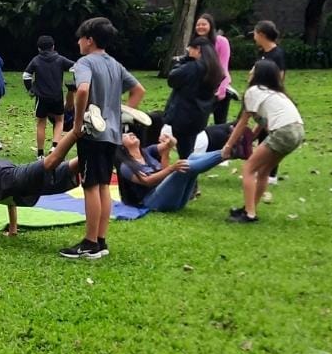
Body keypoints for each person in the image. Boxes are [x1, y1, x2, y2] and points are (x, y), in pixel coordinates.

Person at [60, 17, 145, 260]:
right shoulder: (115, 64)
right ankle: (100, 240)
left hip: (92, 134)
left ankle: (89, 243)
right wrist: (121, 114)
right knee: (104, 185)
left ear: (89, 40)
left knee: (90, 186)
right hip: (112, 134)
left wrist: (78, 124)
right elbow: (139, 90)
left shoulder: (84, 63)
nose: (78, 42)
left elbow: (82, 89)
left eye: (80, 38)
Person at [221, 60, 304, 223]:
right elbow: (263, 120)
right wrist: (251, 137)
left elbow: (242, 122)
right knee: (264, 170)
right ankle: (249, 208)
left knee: (248, 168)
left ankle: (249, 214)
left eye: (253, 70)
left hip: (283, 131)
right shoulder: (276, 93)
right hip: (297, 131)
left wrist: (228, 146)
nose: (249, 72)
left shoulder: (254, 91)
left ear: (259, 75)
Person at [0, 130, 81, 240]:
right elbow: (10, 201)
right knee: (63, 171)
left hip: (20, 180)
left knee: (52, 161)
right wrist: (12, 230)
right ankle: (88, 154)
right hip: (23, 189)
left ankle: (77, 130)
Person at [116, 130, 223, 212]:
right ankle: (224, 154)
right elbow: (147, 181)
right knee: (184, 167)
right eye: (125, 136)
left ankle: (224, 152)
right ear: (122, 147)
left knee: (192, 157)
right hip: (151, 202)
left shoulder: (148, 151)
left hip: (172, 199)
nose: (131, 134)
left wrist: (170, 142)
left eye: (130, 133)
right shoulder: (126, 167)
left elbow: (170, 144)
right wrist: (171, 168)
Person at [163, 36, 225, 158]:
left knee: (184, 152)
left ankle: (188, 169)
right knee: (189, 147)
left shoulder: (192, 67)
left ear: (198, 49)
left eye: (190, 49)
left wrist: (182, 61)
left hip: (183, 115)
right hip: (200, 115)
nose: (188, 52)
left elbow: (172, 79)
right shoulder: (215, 69)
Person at [22, 35, 75, 159]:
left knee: (41, 123)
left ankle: (40, 154)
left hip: (41, 98)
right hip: (57, 96)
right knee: (59, 121)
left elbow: (26, 75)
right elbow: (76, 67)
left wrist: (30, 89)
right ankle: (55, 147)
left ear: (39, 49)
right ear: (53, 47)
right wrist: (75, 81)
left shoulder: (36, 60)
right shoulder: (60, 59)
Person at [250, 19, 286, 184]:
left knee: (269, 133)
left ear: (262, 34)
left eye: (255, 33)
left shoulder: (277, 54)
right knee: (262, 133)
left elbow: (280, 78)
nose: (254, 37)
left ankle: (271, 174)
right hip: (260, 96)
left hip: (270, 98)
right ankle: (262, 170)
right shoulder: (263, 53)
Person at [193, 13, 232, 124]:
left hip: (219, 85)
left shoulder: (221, 41)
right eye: (198, 25)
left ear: (211, 25)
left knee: (220, 121)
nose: (200, 27)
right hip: (201, 87)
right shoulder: (195, 44)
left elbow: (224, 66)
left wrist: (222, 87)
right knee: (198, 120)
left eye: (204, 24)